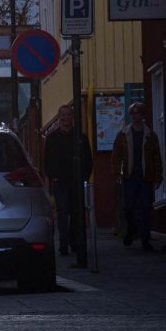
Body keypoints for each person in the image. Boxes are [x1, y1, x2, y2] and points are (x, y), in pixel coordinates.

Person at [111, 102, 163, 251]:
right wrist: (116, 173)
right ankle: (131, 229)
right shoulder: (123, 135)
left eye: (137, 113)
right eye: (132, 114)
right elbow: (116, 156)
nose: (135, 116)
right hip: (129, 176)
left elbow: (156, 157)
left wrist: (158, 177)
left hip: (146, 177)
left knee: (146, 207)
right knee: (128, 207)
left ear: (142, 115)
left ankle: (145, 238)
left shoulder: (150, 135)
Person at [43, 104, 94, 257]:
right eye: (63, 115)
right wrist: (53, 176)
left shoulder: (80, 137)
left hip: (76, 181)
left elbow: (88, 159)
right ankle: (63, 244)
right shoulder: (52, 138)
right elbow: (47, 160)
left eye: (69, 114)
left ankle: (74, 242)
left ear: (73, 117)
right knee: (63, 213)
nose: (66, 118)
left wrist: (84, 177)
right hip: (60, 181)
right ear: (59, 118)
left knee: (76, 213)